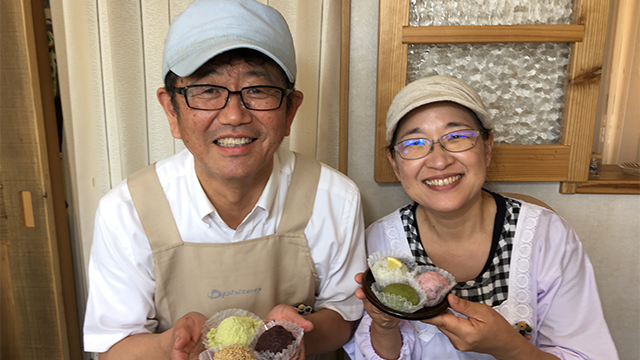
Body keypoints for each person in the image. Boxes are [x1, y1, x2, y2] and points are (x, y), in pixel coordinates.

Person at [82, 0, 366, 359]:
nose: (234, 115)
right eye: (207, 90)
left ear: (290, 109)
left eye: (258, 90)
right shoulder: (127, 210)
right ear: (172, 109)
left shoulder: (334, 198)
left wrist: (298, 337)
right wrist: (172, 345)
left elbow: (343, 317)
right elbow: (112, 347)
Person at [343, 75, 618, 359]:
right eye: (414, 143)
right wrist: (385, 324)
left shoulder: (547, 235)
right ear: (395, 164)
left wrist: (509, 346)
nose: (439, 161)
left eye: (458, 137)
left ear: (487, 148)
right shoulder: (380, 241)